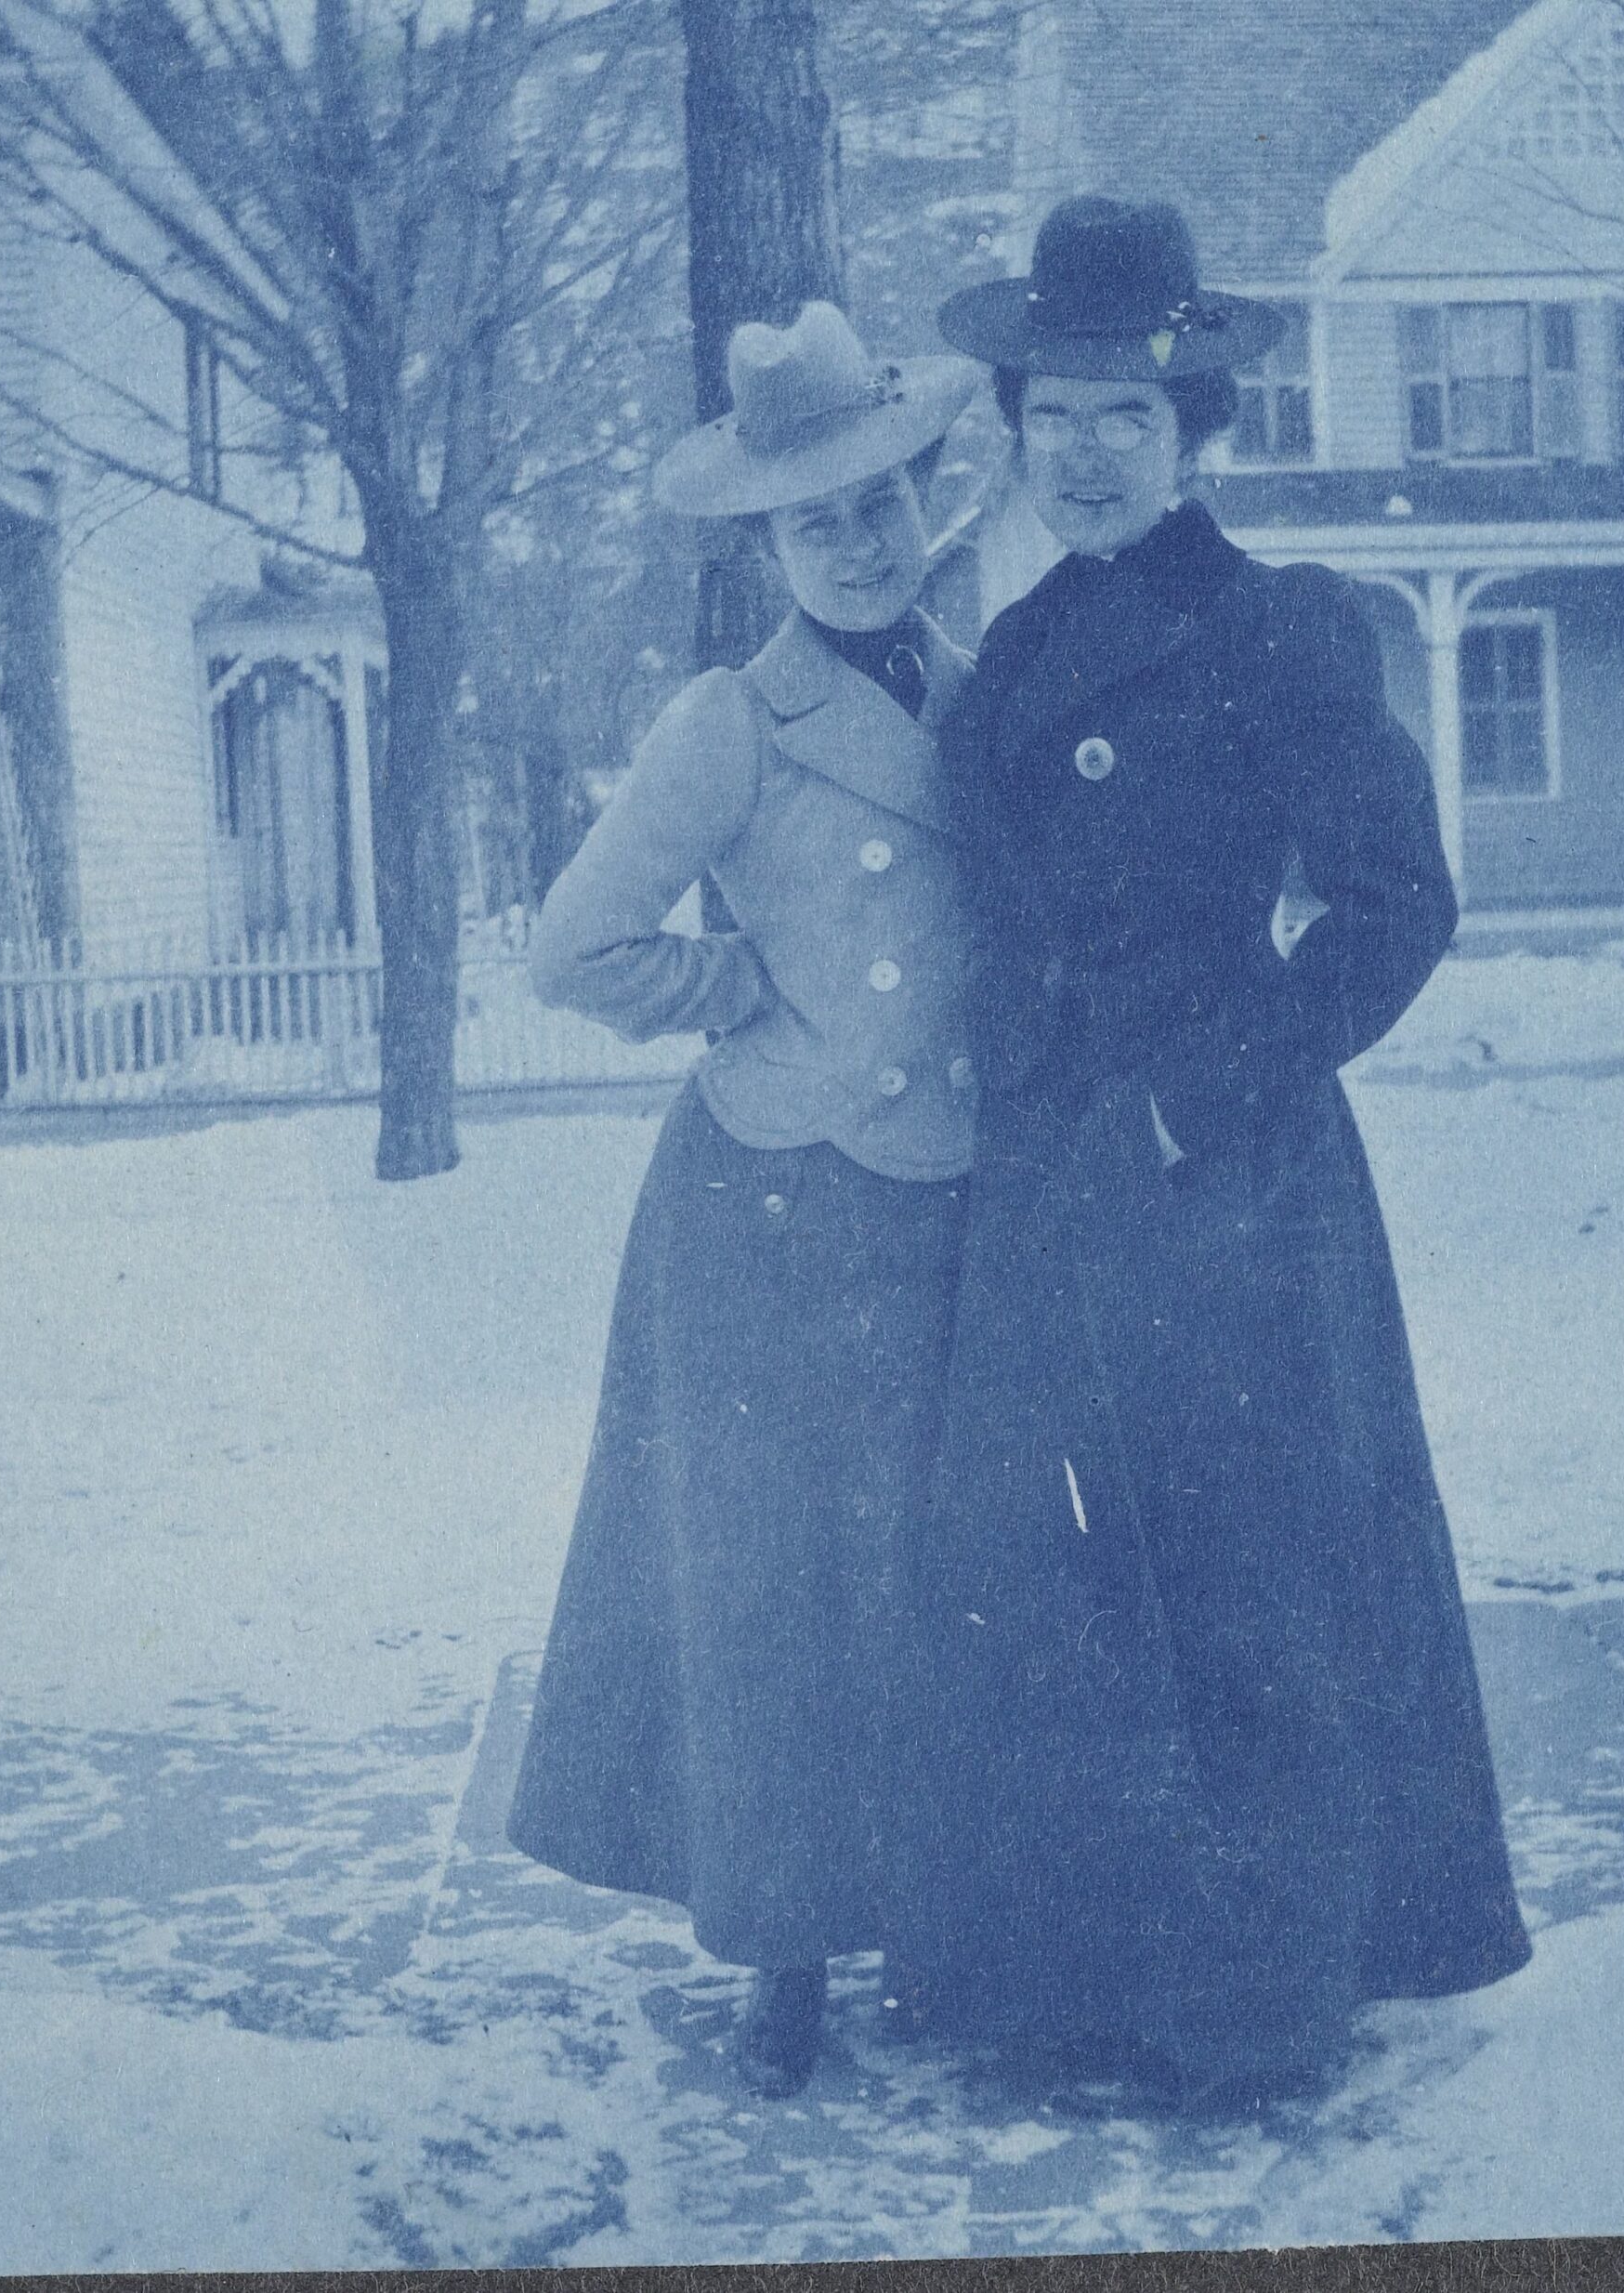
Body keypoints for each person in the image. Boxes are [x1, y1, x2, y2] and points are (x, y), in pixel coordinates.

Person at [880, 197, 1531, 2105]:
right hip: (1038, 1185)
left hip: (1221, 1177)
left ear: (1188, 427)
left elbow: (1394, 906)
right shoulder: (1009, 646)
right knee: (1055, 1582)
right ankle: (1078, 1987)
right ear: (1011, 421)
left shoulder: (1273, 628)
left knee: (1244, 1580)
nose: (1086, 448)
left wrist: (1191, 1099)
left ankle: (1255, 2008)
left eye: (1126, 414)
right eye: (1055, 412)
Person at [506, 302, 983, 2100]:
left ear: (921, 495)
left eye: (879, 504)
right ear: (766, 545)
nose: (857, 544)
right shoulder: (733, 718)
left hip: (950, 1195)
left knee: (940, 1570)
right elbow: (573, 946)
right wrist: (737, 995)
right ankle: (784, 1952)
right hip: (774, 1204)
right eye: (814, 522)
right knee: (777, 1590)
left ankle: (934, 1923)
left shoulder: (988, 675)